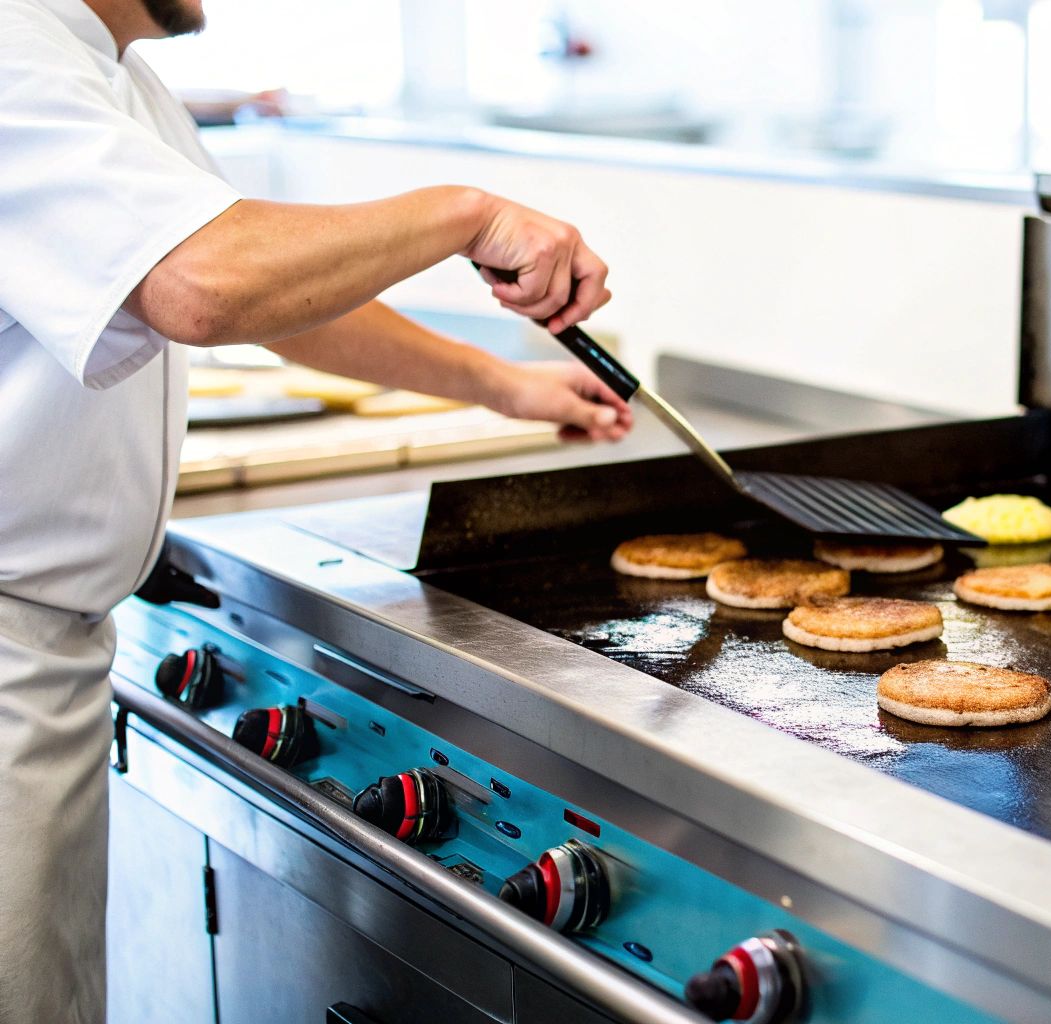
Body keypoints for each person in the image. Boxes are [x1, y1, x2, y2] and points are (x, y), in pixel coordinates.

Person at [0, 0, 635, 1018]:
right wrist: (463, 214)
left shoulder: (115, 76)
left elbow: (281, 290)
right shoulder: (10, 54)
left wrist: (500, 383)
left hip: (45, 644)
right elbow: (203, 284)